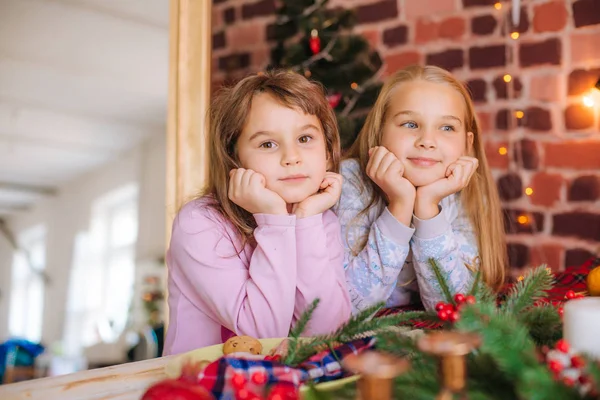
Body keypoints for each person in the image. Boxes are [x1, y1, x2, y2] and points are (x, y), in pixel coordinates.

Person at [164, 70, 351, 355]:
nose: (292, 157)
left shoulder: (318, 219)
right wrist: (275, 220)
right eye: (267, 144)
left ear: (327, 151)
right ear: (234, 157)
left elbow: (328, 334)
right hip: (204, 386)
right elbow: (262, 337)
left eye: (305, 139)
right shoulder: (199, 223)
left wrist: (308, 220)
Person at [335, 65, 506, 312]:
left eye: (447, 128)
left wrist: (427, 208)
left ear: (467, 145)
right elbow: (346, 308)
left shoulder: (464, 193)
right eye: (410, 124)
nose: (427, 140)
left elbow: (458, 310)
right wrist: (400, 205)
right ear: (380, 132)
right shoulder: (348, 182)